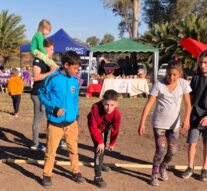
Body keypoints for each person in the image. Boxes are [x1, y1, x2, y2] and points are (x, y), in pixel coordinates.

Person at [138, 60, 192, 186]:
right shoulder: (159, 84)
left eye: (174, 75)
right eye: (169, 74)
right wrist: (142, 122)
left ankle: (163, 167)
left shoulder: (183, 84)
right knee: (160, 150)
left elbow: (188, 105)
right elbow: (149, 104)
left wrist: (187, 118)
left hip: (174, 125)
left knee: (172, 151)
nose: (171, 77)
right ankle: (154, 174)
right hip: (159, 124)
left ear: (180, 74)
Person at [39, 51, 85, 188]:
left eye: (78, 69)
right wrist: (53, 109)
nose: (77, 71)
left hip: (72, 124)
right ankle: (47, 175)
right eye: (75, 68)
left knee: (73, 150)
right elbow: (41, 95)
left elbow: (75, 99)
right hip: (55, 124)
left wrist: (75, 116)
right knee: (51, 152)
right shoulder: (52, 78)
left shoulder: (75, 82)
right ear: (66, 65)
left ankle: (76, 172)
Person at [181, 50, 207, 181]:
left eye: (205, 63)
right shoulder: (196, 77)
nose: (202, 65)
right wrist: (187, 117)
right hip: (195, 117)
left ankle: (204, 169)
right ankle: (190, 167)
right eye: (201, 62)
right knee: (192, 143)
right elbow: (189, 99)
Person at [87, 89, 121, 188]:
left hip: (104, 129)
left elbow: (115, 130)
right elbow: (93, 127)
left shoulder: (117, 114)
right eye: (106, 104)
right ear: (102, 101)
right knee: (99, 148)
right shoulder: (95, 107)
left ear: (116, 104)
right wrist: (100, 141)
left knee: (104, 145)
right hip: (95, 127)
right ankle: (97, 177)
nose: (109, 108)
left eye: (112, 105)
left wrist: (112, 143)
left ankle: (100, 164)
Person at [30, 39, 55, 151]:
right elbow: (36, 77)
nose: (52, 51)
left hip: (46, 94)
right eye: (51, 49)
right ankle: (35, 143)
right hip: (38, 94)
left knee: (50, 117)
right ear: (43, 49)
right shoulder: (38, 61)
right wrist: (51, 72)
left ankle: (55, 139)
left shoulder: (47, 60)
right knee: (38, 119)